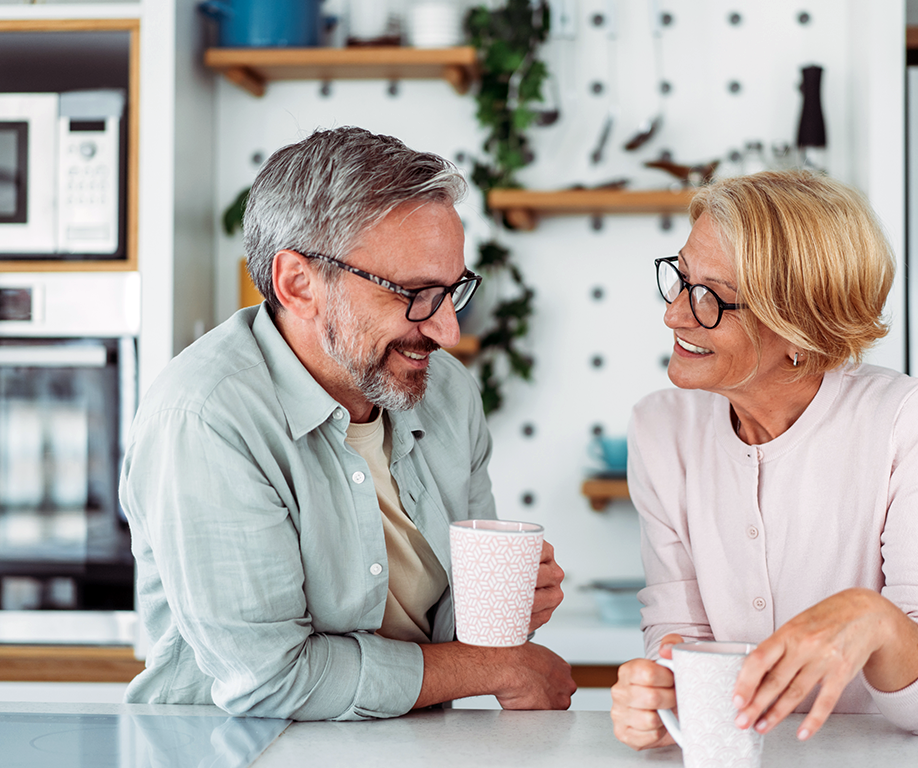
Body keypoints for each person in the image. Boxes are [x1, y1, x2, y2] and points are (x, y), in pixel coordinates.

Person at [119, 126, 576, 720]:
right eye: (414, 293)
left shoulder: (448, 394)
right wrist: (495, 668)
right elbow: (271, 680)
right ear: (298, 284)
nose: (447, 332)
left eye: (452, 291)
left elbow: (454, 627)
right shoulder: (206, 420)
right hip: (234, 752)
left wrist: (509, 601)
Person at [610, 170, 918, 748]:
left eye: (712, 296)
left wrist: (872, 619)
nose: (675, 314)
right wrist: (660, 693)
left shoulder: (908, 420)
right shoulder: (659, 429)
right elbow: (679, 634)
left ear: (798, 330)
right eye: (681, 278)